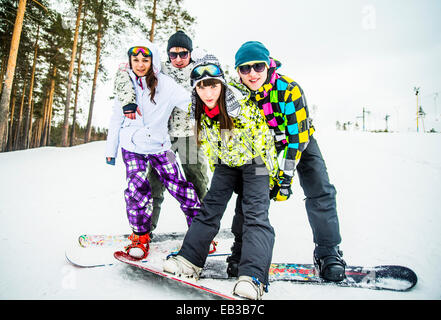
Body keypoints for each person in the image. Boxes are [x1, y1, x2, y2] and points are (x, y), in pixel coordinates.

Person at [162, 54, 278, 300]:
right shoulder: (201, 111)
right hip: (227, 163)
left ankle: (253, 276)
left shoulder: (238, 105)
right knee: (210, 207)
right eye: (202, 86)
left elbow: (262, 144)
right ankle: (189, 260)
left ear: (222, 85)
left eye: (213, 85)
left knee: (254, 214)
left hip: (257, 162)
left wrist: (272, 177)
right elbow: (210, 146)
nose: (208, 92)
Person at [229, 41, 346, 282]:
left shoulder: (288, 89)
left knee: (320, 188)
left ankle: (328, 251)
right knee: (251, 195)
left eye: (258, 67)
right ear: (238, 71)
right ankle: (241, 252)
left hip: (298, 140)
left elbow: (297, 140)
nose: (252, 74)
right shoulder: (236, 93)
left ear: (268, 65)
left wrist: (284, 178)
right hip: (263, 146)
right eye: (245, 68)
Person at [105, 39, 201, 260]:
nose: (140, 64)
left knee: (179, 185)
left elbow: (189, 102)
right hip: (132, 146)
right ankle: (140, 236)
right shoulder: (125, 85)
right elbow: (115, 118)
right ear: (129, 61)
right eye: (136, 59)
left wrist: (216, 104)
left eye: (145, 59)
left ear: (153, 60)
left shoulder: (165, 84)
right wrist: (111, 148)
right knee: (136, 189)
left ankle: (199, 233)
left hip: (160, 145)